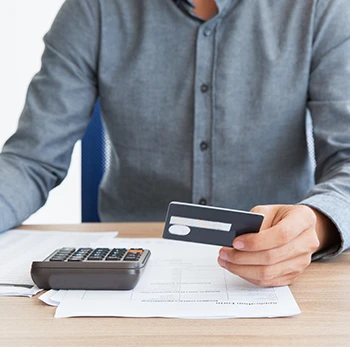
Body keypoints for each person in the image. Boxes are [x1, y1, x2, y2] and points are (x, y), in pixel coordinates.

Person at [0, 0, 349, 287]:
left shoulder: (321, 8)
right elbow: (32, 158)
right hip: (126, 269)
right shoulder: (94, 9)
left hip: (277, 270)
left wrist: (315, 224)